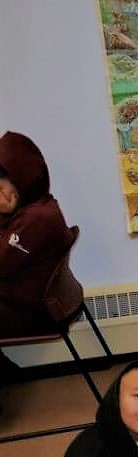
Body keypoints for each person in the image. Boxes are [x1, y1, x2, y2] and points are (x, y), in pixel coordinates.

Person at [0, 131, 76, 386]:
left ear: (23, 180)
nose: (0, 199)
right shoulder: (38, 206)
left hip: (36, 311)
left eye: (2, 188)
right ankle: (6, 373)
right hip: (31, 300)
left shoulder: (35, 218)